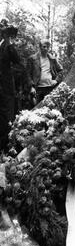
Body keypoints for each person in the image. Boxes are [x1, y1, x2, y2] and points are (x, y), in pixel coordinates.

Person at [0, 19, 20, 152]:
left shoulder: (9, 46)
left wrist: (10, 42)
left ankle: (7, 149)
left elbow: (19, 63)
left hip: (6, 88)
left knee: (7, 117)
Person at [27, 39, 63, 104]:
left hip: (50, 88)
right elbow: (27, 75)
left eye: (48, 47)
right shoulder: (32, 59)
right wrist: (31, 87)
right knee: (36, 109)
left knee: (50, 108)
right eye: (44, 46)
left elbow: (61, 71)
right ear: (40, 47)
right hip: (37, 89)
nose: (46, 49)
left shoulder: (52, 59)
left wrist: (56, 80)